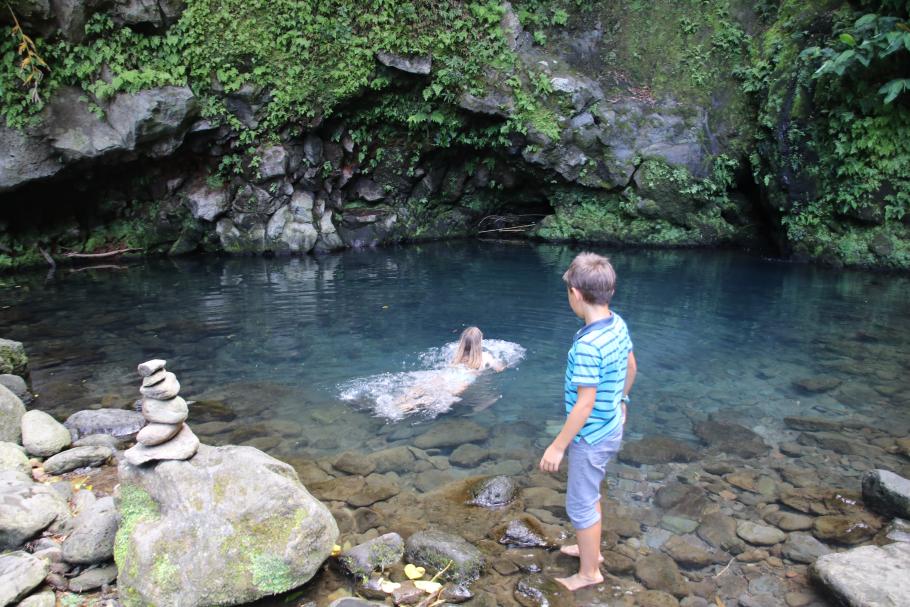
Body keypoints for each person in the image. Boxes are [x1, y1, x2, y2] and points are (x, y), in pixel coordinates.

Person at [538, 252, 637, 591]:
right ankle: (587, 549)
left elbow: (585, 403)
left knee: (579, 502)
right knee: (590, 492)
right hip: (611, 425)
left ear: (576, 294)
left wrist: (557, 445)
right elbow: (631, 365)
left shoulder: (588, 345)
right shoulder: (617, 323)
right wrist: (623, 400)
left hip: (590, 436)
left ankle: (589, 572)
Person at [394, 326, 504, 413]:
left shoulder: (455, 353)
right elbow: (499, 368)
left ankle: (397, 401)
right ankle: (411, 405)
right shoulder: (485, 356)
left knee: (423, 387)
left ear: (462, 341)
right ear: (480, 342)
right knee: (440, 395)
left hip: (446, 374)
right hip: (465, 378)